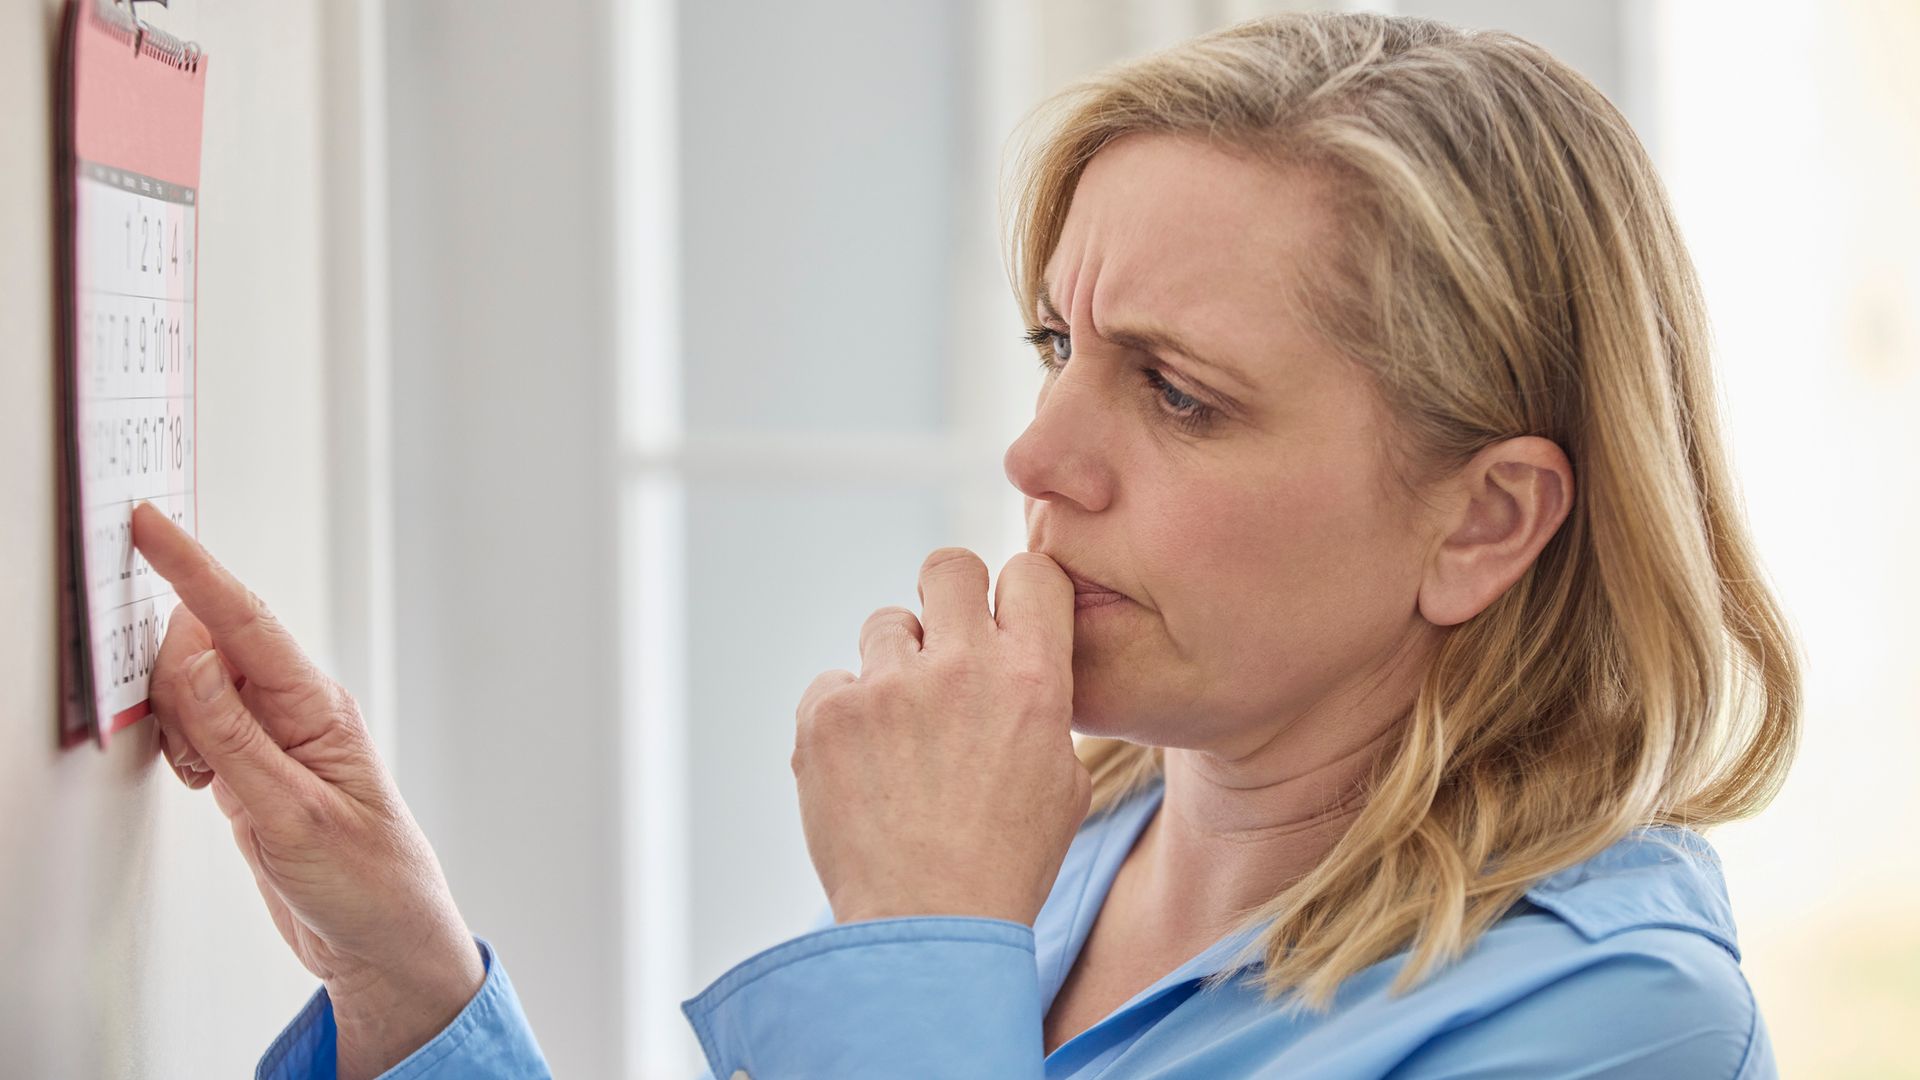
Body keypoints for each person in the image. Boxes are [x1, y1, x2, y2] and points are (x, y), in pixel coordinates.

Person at [133, 12, 1800, 1080]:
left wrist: (925, 944)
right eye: (1056, 348)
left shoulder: (1621, 1027)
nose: (1036, 457)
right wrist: (409, 985)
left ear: (1484, 521)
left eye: (1179, 393)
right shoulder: (1071, 846)